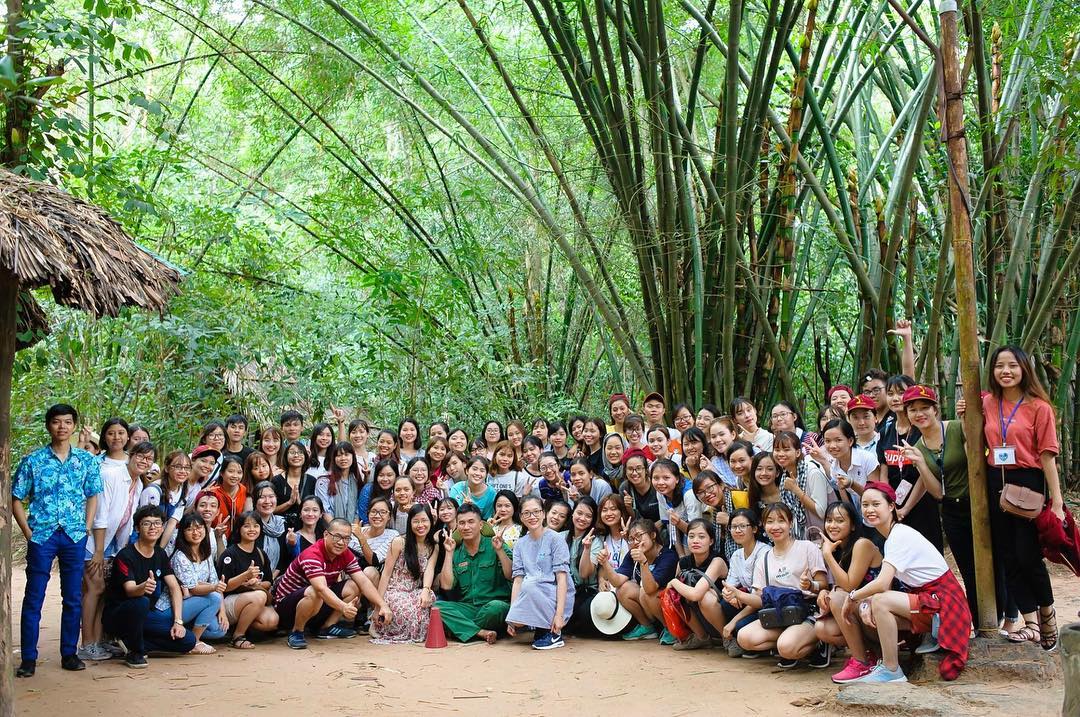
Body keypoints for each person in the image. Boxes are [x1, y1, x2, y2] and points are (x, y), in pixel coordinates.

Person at [977, 345, 1063, 651]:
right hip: (995, 480)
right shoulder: (986, 403)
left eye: (1012, 365)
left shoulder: (1039, 407)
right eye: (999, 365)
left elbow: (1047, 456)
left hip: (1027, 481)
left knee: (1028, 554)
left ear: (1024, 368)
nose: (1006, 371)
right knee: (1008, 556)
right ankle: (1030, 623)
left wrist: (1056, 501)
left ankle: (1047, 613)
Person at [843, 482, 972, 682]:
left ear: (891, 506)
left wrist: (853, 596)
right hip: (933, 600)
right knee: (877, 606)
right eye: (865, 505)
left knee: (880, 601)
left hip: (944, 604)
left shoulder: (899, 536)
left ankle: (891, 670)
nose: (869, 510)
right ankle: (887, 664)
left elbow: (882, 584)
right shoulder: (894, 535)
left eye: (876, 504)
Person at [13, 403, 103, 676]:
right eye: (56, 421)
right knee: (34, 596)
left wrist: (86, 527)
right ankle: (28, 658)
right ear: (48, 425)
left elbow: (93, 495)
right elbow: (16, 498)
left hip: (74, 535)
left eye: (67, 422)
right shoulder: (33, 461)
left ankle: (69, 653)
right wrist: (29, 533)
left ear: (74, 426)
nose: (62, 427)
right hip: (43, 536)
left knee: (73, 597)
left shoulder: (85, 461)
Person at [901, 385, 981, 622]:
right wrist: (920, 463)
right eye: (913, 410)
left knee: (993, 562)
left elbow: (976, 457)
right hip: (951, 511)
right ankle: (979, 623)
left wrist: (967, 420)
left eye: (924, 407)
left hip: (977, 505)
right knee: (968, 569)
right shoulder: (918, 448)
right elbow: (937, 493)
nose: (919, 414)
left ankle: (1008, 618)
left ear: (935, 409)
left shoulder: (956, 428)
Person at [273, 517, 391, 649]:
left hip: (317, 604)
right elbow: (321, 589)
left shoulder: (345, 553)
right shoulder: (312, 554)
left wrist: (382, 605)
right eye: (337, 537)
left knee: (354, 585)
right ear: (325, 534)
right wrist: (343, 607)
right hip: (288, 609)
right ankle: (297, 631)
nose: (341, 542)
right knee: (315, 591)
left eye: (346, 538)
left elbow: (363, 581)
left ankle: (327, 627)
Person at [736, 503, 829, 668]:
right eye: (770, 521)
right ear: (764, 526)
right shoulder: (764, 558)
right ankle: (790, 643)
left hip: (806, 612)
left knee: (786, 647)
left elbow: (823, 585)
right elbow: (759, 599)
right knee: (744, 638)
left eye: (781, 521)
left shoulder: (807, 547)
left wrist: (810, 585)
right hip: (779, 614)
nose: (775, 526)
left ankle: (817, 644)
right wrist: (738, 595)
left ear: (790, 523)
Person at [102, 506, 196, 668]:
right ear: (137, 528)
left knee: (188, 641)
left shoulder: (160, 554)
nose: (153, 527)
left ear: (162, 527)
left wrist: (178, 622)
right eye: (146, 523)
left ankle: (132, 643)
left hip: (145, 616)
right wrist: (143, 587)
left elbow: (174, 588)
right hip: (120, 615)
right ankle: (135, 652)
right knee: (142, 601)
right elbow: (130, 590)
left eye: (157, 523)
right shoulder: (125, 555)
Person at [81, 429, 147, 661]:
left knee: (104, 592)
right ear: (131, 454)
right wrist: (99, 551)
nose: (143, 462)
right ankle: (86, 644)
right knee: (94, 589)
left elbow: (126, 519)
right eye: (140, 456)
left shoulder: (138, 483)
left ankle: (98, 641)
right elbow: (100, 515)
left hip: (113, 543)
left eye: (148, 459)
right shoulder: (110, 475)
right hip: (94, 541)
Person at [811, 502, 883, 683]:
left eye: (839, 520)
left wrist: (827, 555)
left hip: (880, 615)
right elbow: (842, 587)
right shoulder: (841, 549)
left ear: (853, 525)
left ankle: (861, 662)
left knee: (837, 599)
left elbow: (850, 587)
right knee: (822, 629)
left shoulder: (862, 544)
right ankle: (871, 654)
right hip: (863, 614)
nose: (832, 525)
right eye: (829, 520)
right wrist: (825, 592)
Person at [876, 377, 943, 553]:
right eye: (890, 393)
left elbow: (925, 474)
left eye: (901, 392)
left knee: (927, 553)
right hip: (894, 506)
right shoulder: (886, 431)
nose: (895, 398)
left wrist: (906, 508)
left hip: (922, 504)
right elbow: (884, 471)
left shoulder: (922, 430)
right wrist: (888, 503)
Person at [436, 503, 514, 643]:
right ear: (457, 526)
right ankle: (481, 632)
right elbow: (446, 586)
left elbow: (511, 575)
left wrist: (500, 551)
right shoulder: (456, 552)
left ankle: (461, 629)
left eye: (471, 522)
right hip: (468, 607)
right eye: (462, 523)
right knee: (437, 607)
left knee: (496, 608)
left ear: (481, 525)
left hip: (494, 605)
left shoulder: (495, 543)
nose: (466, 527)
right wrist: (449, 553)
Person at [504, 496, 574, 649]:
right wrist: (512, 614)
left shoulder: (556, 539)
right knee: (516, 619)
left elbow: (562, 579)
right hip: (533, 592)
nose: (532, 516)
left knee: (531, 583)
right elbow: (518, 580)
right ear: (521, 517)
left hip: (555, 593)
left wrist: (559, 615)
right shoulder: (520, 544)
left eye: (536, 512)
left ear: (543, 514)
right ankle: (542, 628)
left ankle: (554, 633)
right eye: (527, 513)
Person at [597, 517, 678, 641]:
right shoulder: (633, 554)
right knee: (623, 589)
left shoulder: (668, 556)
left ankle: (671, 629)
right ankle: (647, 627)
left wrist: (643, 562)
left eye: (639, 536)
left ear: (653, 535)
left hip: (669, 607)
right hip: (648, 605)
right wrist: (605, 563)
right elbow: (617, 581)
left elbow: (650, 588)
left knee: (645, 592)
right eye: (631, 539)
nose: (635, 541)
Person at [371, 503, 440, 644]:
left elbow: (429, 570)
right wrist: (378, 605)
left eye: (424, 520)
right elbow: (386, 574)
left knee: (427, 601)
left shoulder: (433, 546)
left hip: (414, 591)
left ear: (430, 522)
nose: (420, 525)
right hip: (394, 591)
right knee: (407, 610)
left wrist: (426, 590)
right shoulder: (399, 542)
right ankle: (380, 626)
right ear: (410, 523)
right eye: (416, 521)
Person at [217, 511, 281, 649]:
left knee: (271, 621)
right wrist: (245, 576)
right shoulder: (230, 553)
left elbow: (268, 582)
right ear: (239, 529)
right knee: (260, 596)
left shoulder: (260, 553)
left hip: (251, 599)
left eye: (256, 526)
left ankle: (241, 626)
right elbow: (223, 587)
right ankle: (237, 636)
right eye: (246, 526)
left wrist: (257, 583)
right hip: (228, 602)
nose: (252, 529)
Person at [165, 513, 227, 654]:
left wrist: (222, 611)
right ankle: (193, 642)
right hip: (175, 607)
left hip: (196, 603)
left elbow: (216, 583)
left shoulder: (206, 553)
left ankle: (185, 632)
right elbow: (193, 588)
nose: (195, 532)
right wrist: (212, 587)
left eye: (199, 528)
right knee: (214, 597)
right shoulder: (180, 556)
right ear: (182, 533)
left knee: (219, 630)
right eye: (189, 529)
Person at [667, 519, 728, 650]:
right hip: (699, 619)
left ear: (711, 541)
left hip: (723, 617)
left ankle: (728, 639)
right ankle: (701, 638)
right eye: (691, 536)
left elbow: (696, 595)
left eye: (701, 537)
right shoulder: (683, 563)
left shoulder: (717, 561)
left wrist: (673, 581)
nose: (695, 541)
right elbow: (675, 592)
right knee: (674, 594)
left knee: (705, 597)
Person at [719, 508, 769, 657]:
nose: (737, 531)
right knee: (725, 603)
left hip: (765, 603)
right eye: (734, 527)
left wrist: (732, 622)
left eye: (742, 526)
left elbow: (759, 598)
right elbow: (728, 586)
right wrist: (730, 595)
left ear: (754, 529)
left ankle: (757, 647)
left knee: (739, 624)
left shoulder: (764, 552)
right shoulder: (736, 555)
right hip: (749, 601)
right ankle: (738, 640)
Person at [773, 431, 828, 533]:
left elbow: (821, 512)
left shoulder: (812, 472)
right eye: (777, 450)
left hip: (822, 533)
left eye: (786, 450)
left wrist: (796, 489)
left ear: (798, 452)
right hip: (800, 534)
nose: (780, 454)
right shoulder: (784, 475)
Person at [563, 498, 600, 633]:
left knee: (584, 614)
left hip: (585, 591)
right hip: (562, 590)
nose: (582, 518)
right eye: (579, 513)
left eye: (588, 516)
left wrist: (586, 548)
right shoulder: (560, 537)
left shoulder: (595, 541)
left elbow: (584, 574)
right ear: (572, 513)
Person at [316, 441, 362, 523]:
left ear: (353, 457)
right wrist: (340, 529)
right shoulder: (324, 482)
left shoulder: (355, 482)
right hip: (331, 528)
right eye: (339, 455)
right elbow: (326, 512)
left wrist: (353, 529)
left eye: (346, 454)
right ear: (334, 458)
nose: (343, 458)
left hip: (352, 528)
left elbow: (357, 512)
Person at [253, 480, 292, 576]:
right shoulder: (249, 525)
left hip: (277, 577)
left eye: (271, 496)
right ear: (255, 501)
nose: (267, 501)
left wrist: (272, 577)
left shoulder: (281, 524)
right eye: (262, 497)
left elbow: (284, 557)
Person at [352, 496, 400, 574]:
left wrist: (361, 537)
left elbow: (374, 561)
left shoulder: (392, 535)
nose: (377, 516)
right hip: (351, 572)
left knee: (369, 572)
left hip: (373, 574)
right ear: (368, 514)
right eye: (373, 511)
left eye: (383, 512)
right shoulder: (358, 530)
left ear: (389, 516)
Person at [208, 456, 249, 540]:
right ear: (221, 473)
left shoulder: (244, 490)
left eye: (239, 472)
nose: (235, 476)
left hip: (238, 539)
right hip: (216, 538)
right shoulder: (212, 493)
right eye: (230, 471)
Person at [271, 443, 307, 530]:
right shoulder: (276, 480)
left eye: (300, 452)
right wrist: (289, 503)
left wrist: (300, 503)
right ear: (286, 456)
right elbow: (270, 510)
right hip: (280, 528)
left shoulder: (311, 480)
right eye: (292, 452)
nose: (296, 455)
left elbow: (315, 510)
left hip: (304, 528)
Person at [619, 451, 659, 522]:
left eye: (639, 468)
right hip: (638, 526)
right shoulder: (625, 488)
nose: (634, 473)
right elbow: (632, 519)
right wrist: (628, 507)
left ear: (646, 470)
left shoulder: (657, 484)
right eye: (630, 469)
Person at [357, 458, 398, 524]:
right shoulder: (368, 489)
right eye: (381, 475)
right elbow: (363, 516)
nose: (385, 479)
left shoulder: (399, 490)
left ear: (396, 476)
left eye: (389, 475)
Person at [708, 417, 740, 487]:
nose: (717, 440)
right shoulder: (715, 462)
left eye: (722, 434)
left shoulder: (751, 451)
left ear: (733, 435)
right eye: (713, 437)